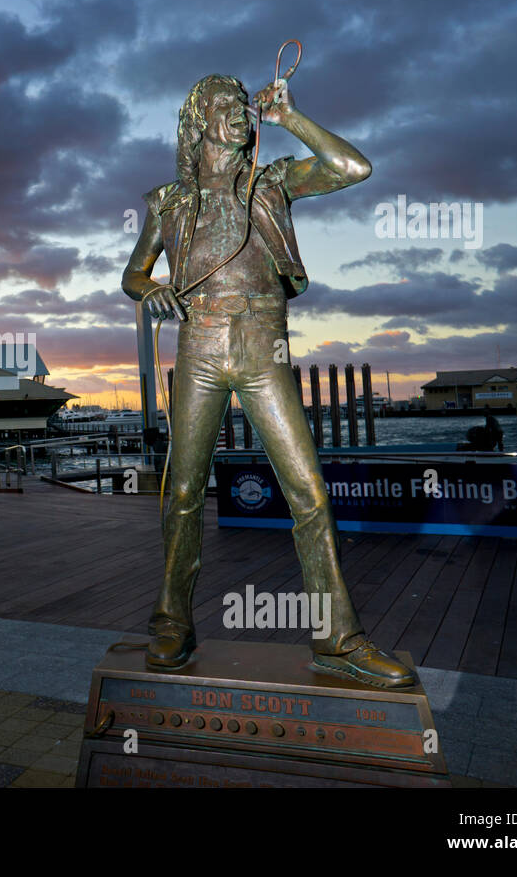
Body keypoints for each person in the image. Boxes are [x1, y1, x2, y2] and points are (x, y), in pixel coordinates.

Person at [121, 73, 415, 688]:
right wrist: (150, 292)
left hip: (264, 344)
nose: (241, 114)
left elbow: (353, 167)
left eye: (243, 106)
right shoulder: (166, 201)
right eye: (226, 106)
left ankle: (337, 638)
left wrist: (291, 116)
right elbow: (135, 274)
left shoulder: (273, 181)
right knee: (181, 491)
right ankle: (172, 621)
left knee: (308, 488)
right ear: (199, 120)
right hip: (198, 343)